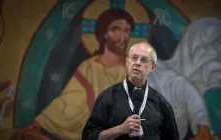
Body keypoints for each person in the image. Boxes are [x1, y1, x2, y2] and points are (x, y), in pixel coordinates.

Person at [15, 8, 135, 140]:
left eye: (127, 30)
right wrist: (40, 124)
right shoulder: (89, 67)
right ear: (104, 33)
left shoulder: (133, 68)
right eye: (116, 29)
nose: (123, 36)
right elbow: (69, 100)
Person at [82, 42, 180, 140]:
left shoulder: (161, 104)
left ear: (153, 67)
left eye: (144, 60)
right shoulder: (107, 97)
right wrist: (120, 129)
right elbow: (88, 136)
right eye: (134, 58)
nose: (137, 63)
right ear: (127, 62)